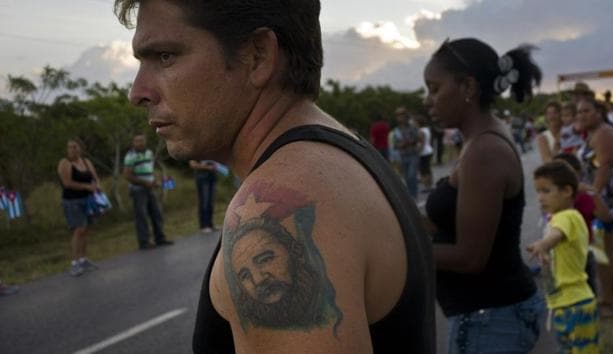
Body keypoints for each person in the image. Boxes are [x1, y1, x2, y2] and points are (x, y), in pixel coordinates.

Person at [115, 1, 436, 353]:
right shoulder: (343, 154)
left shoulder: (287, 194)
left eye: (164, 56)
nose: (138, 92)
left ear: (258, 55)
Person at [423, 37, 544, 353]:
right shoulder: (479, 140)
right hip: (490, 316)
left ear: (468, 87)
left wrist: (399, 248)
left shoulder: (484, 151)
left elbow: (470, 257)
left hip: (490, 319)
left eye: (434, 89)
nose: (428, 100)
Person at [527, 161, 599, 353]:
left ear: (567, 191)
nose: (540, 198)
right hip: (563, 304)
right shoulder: (558, 217)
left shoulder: (567, 216)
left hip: (576, 304)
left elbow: (556, 235)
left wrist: (543, 245)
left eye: (546, 191)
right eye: (538, 191)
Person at [576, 97, 613, 318]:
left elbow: (604, 169)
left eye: (586, 111)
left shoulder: (605, 134)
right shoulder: (596, 133)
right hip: (600, 197)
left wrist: (592, 199)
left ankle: (610, 301)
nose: (581, 116)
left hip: (606, 198)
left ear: (599, 112)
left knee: (603, 249)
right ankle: (606, 297)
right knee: (601, 248)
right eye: (579, 112)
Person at [553, 152, 612, 295]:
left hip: (582, 252)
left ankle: (590, 311)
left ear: (578, 174)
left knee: (587, 288)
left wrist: (594, 194)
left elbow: (606, 217)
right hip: (560, 253)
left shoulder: (584, 197)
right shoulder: (553, 197)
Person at [57, 138, 101, 277]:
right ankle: (74, 263)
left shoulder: (86, 162)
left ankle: (83, 259)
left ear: (80, 148)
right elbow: (67, 183)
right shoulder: (65, 163)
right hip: (72, 201)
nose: (72, 149)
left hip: (87, 200)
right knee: (78, 230)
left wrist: (97, 185)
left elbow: (95, 177)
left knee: (86, 229)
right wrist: (87, 186)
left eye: (74, 147)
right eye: (69, 147)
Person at [123, 134, 173, 250]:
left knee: (156, 213)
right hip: (138, 189)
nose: (139, 143)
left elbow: (149, 170)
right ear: (133, 143)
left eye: (141, 141)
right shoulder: (131, 156)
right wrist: (145, 183)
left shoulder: (149, 153)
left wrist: (155, 181)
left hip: (150, 187)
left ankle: (160, 238)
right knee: (142, 216)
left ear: (145, 141)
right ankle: (144, 242)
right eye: (136, 141)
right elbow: (127, 175)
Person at [392, 106, 420, 200]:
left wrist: (406, 143)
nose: (400, 117)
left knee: (412, 175)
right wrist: (400, 145)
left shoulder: (412, 127)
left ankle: (414, 195)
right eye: (398, 115)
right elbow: (395, 145)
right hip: (403, 155)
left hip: (413, 154)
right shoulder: (396, 130)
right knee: (407, 177)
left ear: (406, 116)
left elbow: (417, 138)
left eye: (402, 115)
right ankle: (410, 196)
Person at [190, 160, 219, 233]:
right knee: (204, 202)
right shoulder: (196, 151)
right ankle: (203, 225)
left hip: (212, 177)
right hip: (202, 178)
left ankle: (210, 224)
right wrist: (207, 167)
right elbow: (192, 164)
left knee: (211, 202)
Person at [416, 114, 433, 192]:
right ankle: (430, 185)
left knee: (423, 170)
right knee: (428, 169)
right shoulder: (427, 129)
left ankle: (426, 186)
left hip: (424, 152)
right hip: (429, 150)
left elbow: (421, 143)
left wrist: (418, 152)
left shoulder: (420, 131)